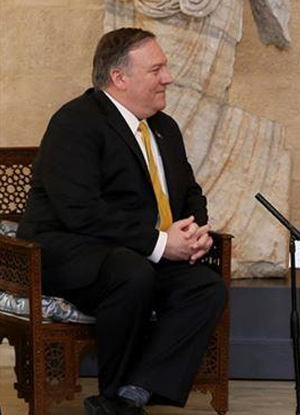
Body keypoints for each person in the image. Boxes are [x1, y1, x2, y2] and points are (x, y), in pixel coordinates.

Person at [17, 28, 227, 415]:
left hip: (133, 250)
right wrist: (161, 244)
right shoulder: (75, 122)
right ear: (119, 77)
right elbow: (80, 211)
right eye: (156, 70)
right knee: (131, 273)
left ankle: (135, 391)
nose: (168, 78)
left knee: (205, 288)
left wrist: (193, 231)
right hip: (67, 251)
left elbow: (190, 192)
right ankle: (114, 394)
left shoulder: (164, 127)